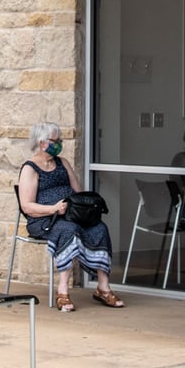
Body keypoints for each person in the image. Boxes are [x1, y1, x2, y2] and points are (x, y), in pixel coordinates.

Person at [17, 122, 123, 311]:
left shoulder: (62, 163)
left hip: (70, 215)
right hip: (43, 220)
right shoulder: (30, 168)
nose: (59, 144)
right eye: (56, 140)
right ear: (42, 143)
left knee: (99, 228)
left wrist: (82, 207)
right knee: (70, 230)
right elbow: (27, 206)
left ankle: (103, 287)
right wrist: (54, 209)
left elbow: (78, 190)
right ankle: (63, 291)